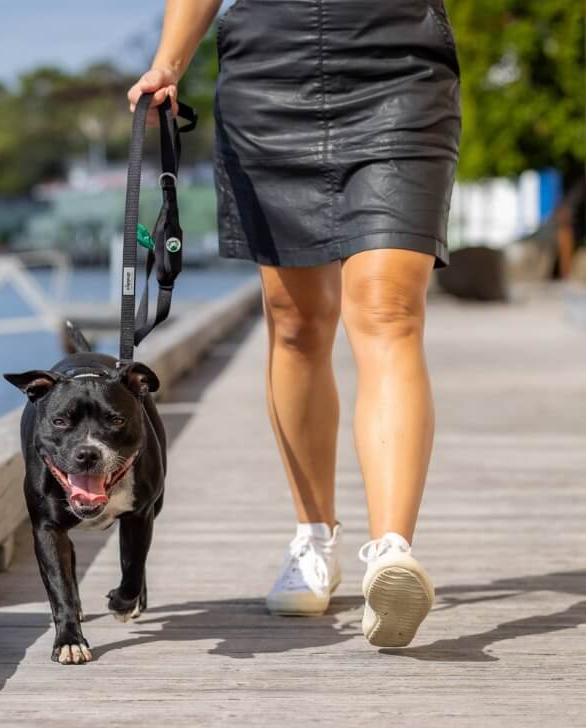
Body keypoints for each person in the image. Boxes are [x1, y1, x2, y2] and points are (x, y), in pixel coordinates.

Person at [128, 0, 461, 647]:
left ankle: (392, 552)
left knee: (389, 307)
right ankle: (314, 538)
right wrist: (168, 63)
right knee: (295, 321)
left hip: (398, 61)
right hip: (268, 72)